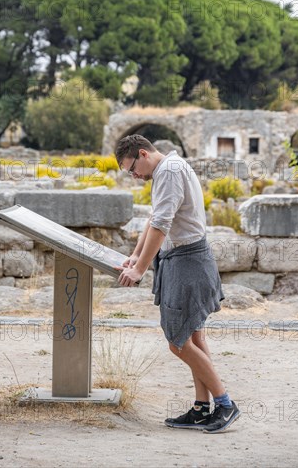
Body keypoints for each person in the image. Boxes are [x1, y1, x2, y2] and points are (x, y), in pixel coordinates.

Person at [114, 134, 240, 433]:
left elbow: (162, 224)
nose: (133, 176)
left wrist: (140, 269)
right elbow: (153, 219)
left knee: (178, 342)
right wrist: (135, 255)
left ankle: (225, 404)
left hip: (187, 262)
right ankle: (201, 408)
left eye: (131, 169)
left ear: (143, 154)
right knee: (193, 339)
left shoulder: (168, 171)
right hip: (185, 260)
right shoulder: (166, 169)